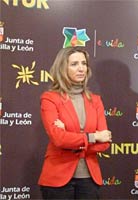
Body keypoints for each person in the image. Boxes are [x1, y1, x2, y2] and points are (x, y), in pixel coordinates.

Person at [38, 47, 112, 199]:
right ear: (62, 68)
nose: (81, 68)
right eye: (74, 64)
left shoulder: (95, 100)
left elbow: (105, 142)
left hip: (89, 179)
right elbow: (58, 139)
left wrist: (69, 138)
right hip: (57, 179)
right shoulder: (50, 98)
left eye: (84, 63)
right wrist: (93, 137)